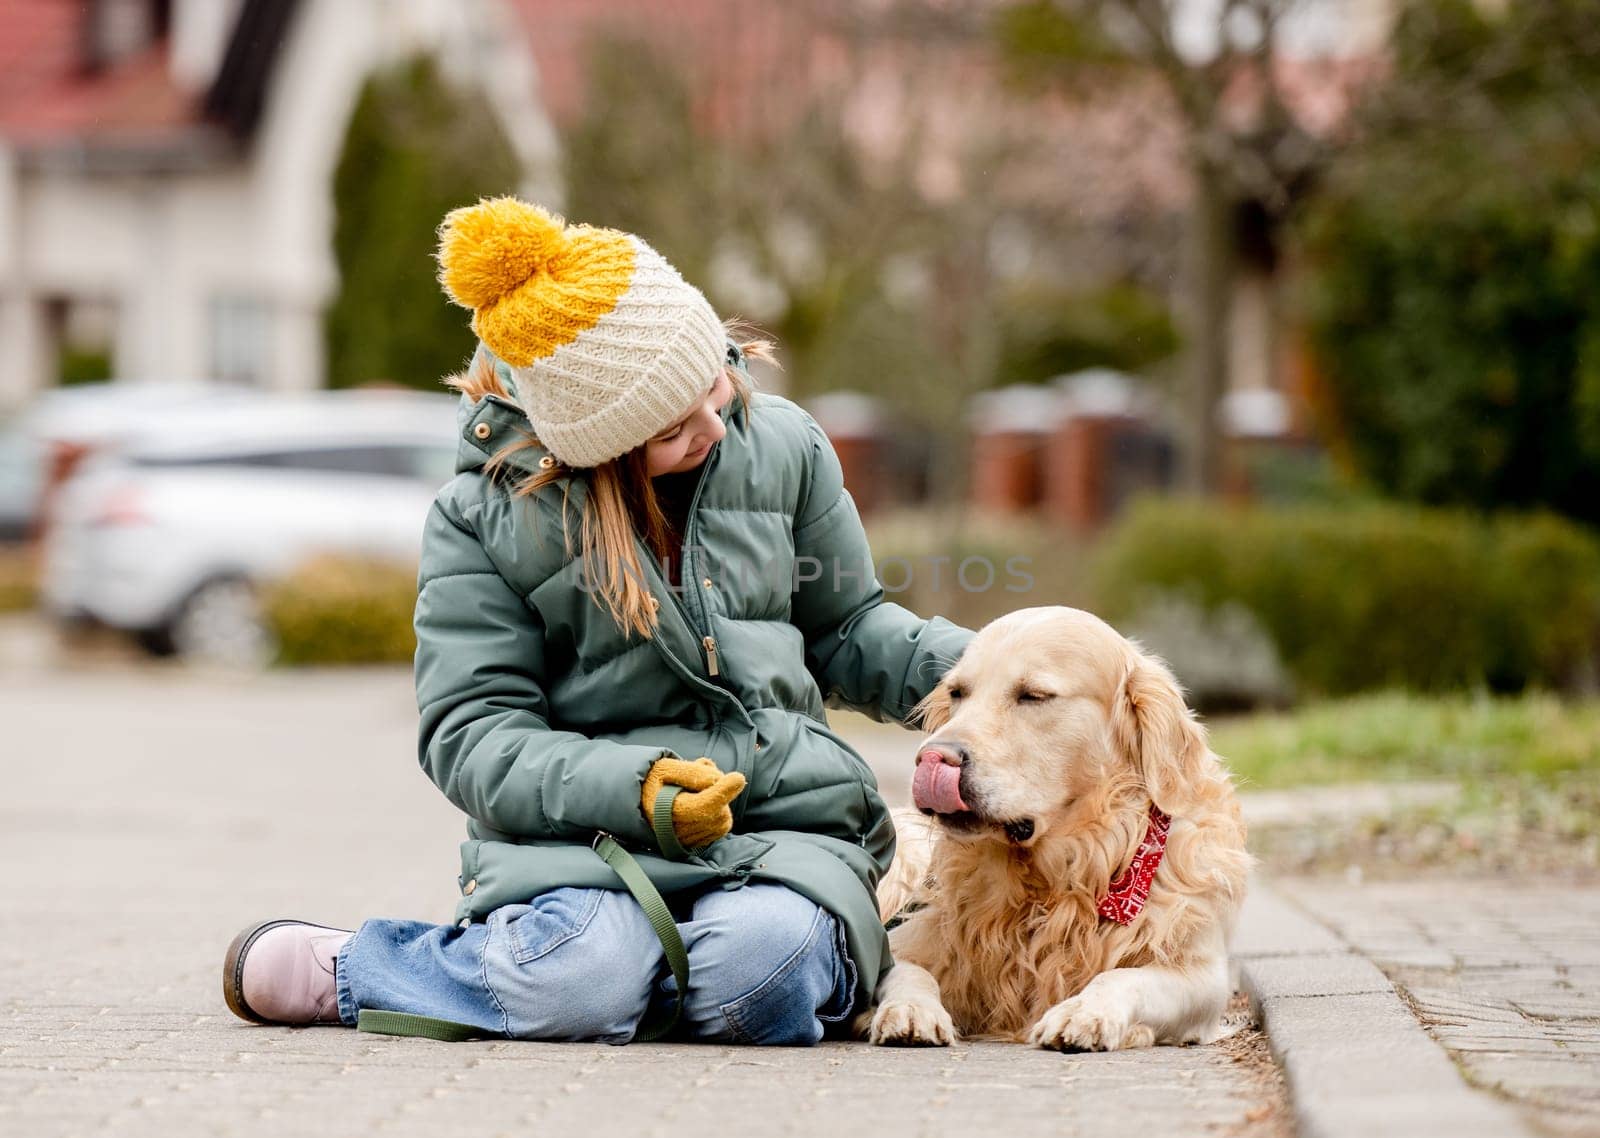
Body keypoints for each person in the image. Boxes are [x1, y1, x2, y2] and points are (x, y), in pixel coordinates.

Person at [221, 197, 974, 1045]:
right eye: (672, 426)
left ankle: (625, 981)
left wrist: (997, 672)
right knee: (580, 979)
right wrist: (636, 791)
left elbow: (850, 628)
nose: (714, 425)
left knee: (763, 977)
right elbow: (473, 732)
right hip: (589, 846)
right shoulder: (483, 520)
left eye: (713, 384)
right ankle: (361, 970)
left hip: (781, 824)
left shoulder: (786, 446)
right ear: (599, 445)